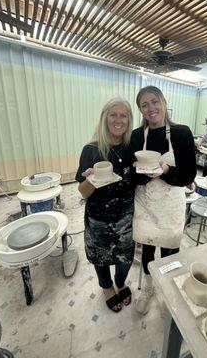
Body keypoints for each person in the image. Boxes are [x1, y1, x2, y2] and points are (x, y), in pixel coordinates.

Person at [129, 85, 196, 315]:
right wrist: (143, 174)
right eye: (144, 105)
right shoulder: (138, 135)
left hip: (171, 204)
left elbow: (188, 176)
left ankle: (168, 289)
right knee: (147, 248)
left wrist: (166, 171)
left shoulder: (181, 133)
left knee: (170, 250)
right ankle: (148, 288)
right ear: (141, 110)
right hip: (146, 203)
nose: (151, 108)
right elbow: (131, 174)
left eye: (154, 101)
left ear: (164, 102)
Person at [76, 97, 135, 313]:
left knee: (125, 257)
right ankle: (107, 286)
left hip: (126, 218)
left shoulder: (132, 147)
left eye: (123, 115)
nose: (118, 120)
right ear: (105, 118)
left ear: (129, 119)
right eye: (113, 115)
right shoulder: (91, 149)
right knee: (100, 257)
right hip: (98, 219)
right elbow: (82, 192)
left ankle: (120, 282)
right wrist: (91, 179)